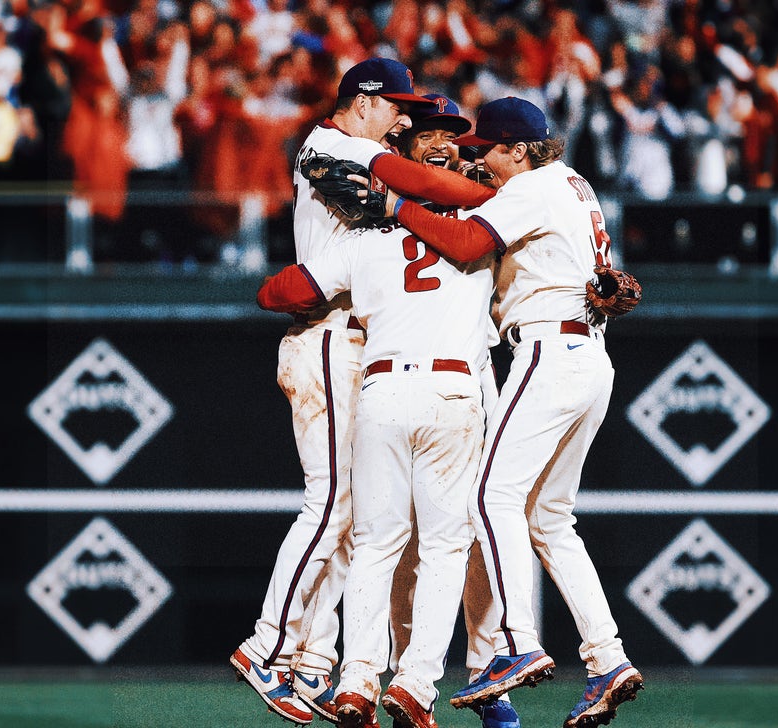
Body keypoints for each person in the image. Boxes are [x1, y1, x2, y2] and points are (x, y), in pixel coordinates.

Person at [381, 96, 644, 728]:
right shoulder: (575, 185)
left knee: (489, 501)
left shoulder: (532, 186)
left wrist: (397, 206)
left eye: (488, 151)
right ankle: (607, 656)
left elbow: (468, 241)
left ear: (518, 149)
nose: (481, 163)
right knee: (551, 521)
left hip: (547, 352)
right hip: (590, 355)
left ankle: (517, 644)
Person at [256, 93, 497, 728]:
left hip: (381, 391)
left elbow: (276, 290)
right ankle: (415, 682)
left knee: (373, 542)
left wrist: (329, 287)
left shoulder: (366, 237)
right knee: (445, 545)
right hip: (451, 394)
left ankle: (354, 679)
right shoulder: (484, 234)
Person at [230, 56, 429, 727]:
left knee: (351, 514)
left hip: (348, 341)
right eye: (395, 106)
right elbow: (394, 190)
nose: (401, 119)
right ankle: (267, 647)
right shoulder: (330, 145)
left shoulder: (357, 148)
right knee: (332, 503)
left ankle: (314, 658)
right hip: (326, 335)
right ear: (364, 101)